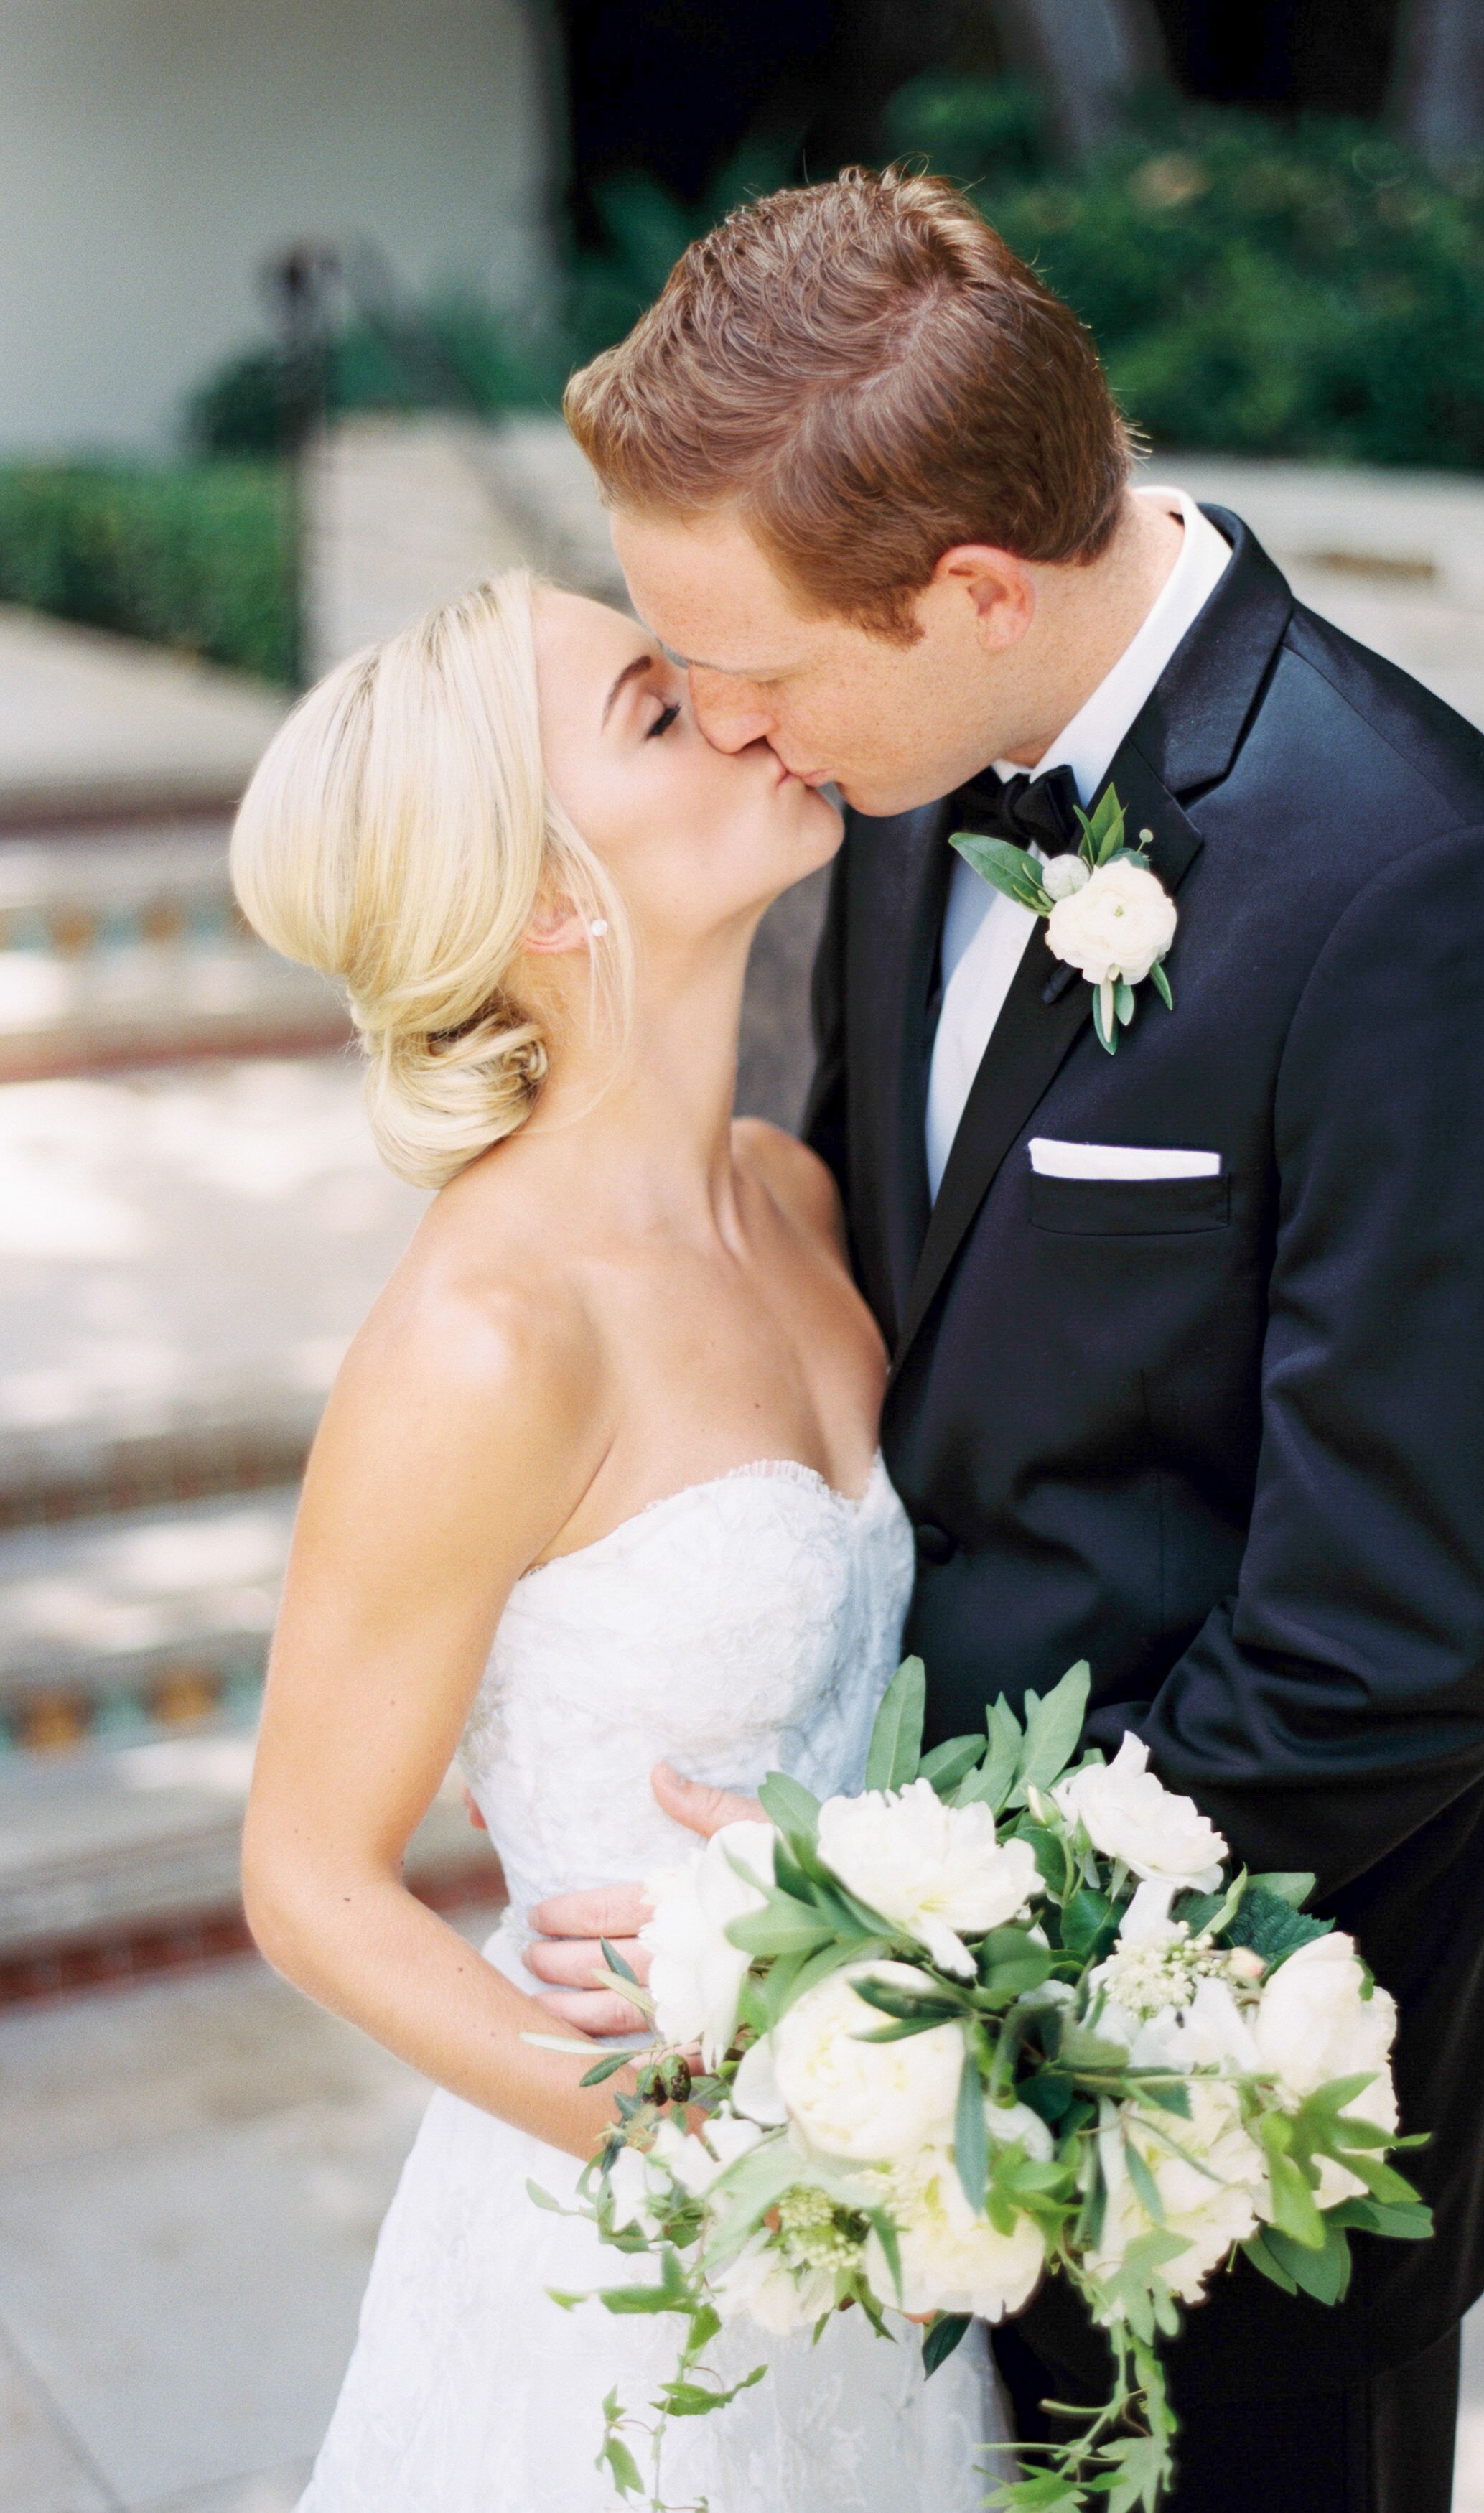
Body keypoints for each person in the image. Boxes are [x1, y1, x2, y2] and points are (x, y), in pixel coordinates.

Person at [527, 167, 1484, 2513]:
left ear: (975, 591)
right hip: (885, 2083)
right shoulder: (900, 771)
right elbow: (883, 1313)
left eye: (752, 663)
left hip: (1226, 2087)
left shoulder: (1429, 902)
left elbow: (1399, 1650)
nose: (720, 723)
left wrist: (878, 1952)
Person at [233, 569, 1009, 2510]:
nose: (749, 704)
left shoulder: (794, 1190)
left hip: (887, 2224)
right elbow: (306, 1876)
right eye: (666, 711)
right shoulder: (485, 1345)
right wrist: (691, 2129)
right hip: (629, 2270)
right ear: (547, 898)